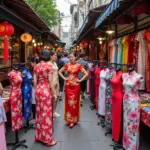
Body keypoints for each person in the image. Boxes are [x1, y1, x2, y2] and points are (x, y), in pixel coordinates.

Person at [59, 52, 88, 128]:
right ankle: (69, 120)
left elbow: (86, 73)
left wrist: (80, 80)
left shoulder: (79, 66)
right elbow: (59, 72)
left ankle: (74, 119)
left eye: (72, 57)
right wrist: (65, 78)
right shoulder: (67, 65)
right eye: (70, 57)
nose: (71, 58)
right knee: (68, 103)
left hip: (76, 86)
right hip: (68, 86)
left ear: (76, 57)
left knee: (75, 103)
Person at [33, 50, 57, 146]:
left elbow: (34, 81)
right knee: (46, 114)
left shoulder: (36, 66)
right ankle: (47, 140)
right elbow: (50, 82)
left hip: (38, 90)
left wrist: (37, 89)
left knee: (39, 114)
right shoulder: (48, 66)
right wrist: (54, 93)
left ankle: (39, 136)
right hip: (46, 90)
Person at [48, 51, 60, 118]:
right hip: (51, 83)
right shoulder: (48, 64)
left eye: (56, 55)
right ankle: (50, 112)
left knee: (57, 97)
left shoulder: (55, 63)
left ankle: (54, 111)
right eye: (54, 55)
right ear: (51, 56)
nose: (56, 57)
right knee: (52, 98)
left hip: (56, 82)